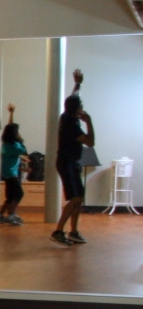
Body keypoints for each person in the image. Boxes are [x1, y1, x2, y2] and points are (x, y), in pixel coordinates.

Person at [53, 70, 91, 246]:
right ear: (77, 110)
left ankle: (74, 231)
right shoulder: (72, 125)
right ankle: (58, 231)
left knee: (79, 198)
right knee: (75, 198)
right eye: (81, 106)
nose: (82, 108)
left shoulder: (66, 114)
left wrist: (78, 85)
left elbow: (73, 98)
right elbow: (90, 142)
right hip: (67, 163)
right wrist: (89, 122)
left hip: (72, 162)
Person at [0, 116, 28, 225]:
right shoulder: (14, 145)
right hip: (11, 173)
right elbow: (23, 150)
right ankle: (11, 214)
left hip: (7, 172)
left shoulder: (6, 144)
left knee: (10, 196)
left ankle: (0, 214)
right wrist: (21, 139)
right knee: (19, 194)